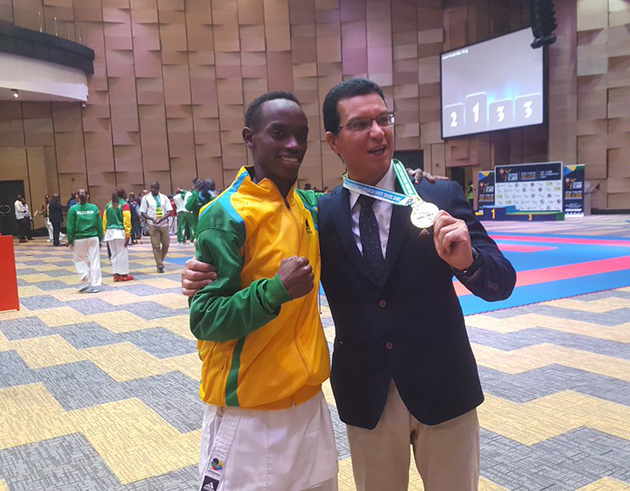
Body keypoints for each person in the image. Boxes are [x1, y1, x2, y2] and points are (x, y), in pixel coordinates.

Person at [183, 79, 517, 490]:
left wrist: (469, 263)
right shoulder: (321, 212)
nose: (378, 132)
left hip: (445, 389)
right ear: (333, 141)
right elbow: (246, 252)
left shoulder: (437, 196)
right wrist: (198, 272)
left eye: (384, 120)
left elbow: (502, 282)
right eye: (360, 124)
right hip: (367, 395)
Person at [188, 91, 337, 490]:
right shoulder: (225, 214)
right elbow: (204, 319)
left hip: (309, 406)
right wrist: (273, 292)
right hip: (248, 416)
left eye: (301, 135)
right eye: (279, 133)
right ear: (249, 137)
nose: (293, 145)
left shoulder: (307, 207)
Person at [66, 189, 103, 293]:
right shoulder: (94, 208)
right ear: (88, 196)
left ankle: (84, 277)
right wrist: (100, 238)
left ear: (77, 197)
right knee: (95, 260)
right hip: (93, 237)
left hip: (79, 238)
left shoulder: (73, 209)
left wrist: (70, 240)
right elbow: (99, 224)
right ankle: (96, 284)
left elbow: (70, 226)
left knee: (78, 259)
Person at [140, 181, 173, 273]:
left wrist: (161, 219)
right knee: (156, 246)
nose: (153, 189)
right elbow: (143, 212)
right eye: (151, 187)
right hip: (152, 224)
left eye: (154, 188)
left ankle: (160, 260)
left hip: (163, 224)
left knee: (166, 245)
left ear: (158, 189)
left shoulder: (164, 198)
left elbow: (169, 211)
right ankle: (160, 266)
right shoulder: (146, 198)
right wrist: (151, 218)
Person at [103, 188, 133, 282]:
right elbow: (126, 220)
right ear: (123, 194)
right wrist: (128, 234)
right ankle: (123, 274)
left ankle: (115, 274)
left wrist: (105, 231)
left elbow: (104, 219)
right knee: (122, 253)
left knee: (114, 253)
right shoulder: (124, 205)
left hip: (109, 231)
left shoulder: (108, 205)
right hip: (120, 232)